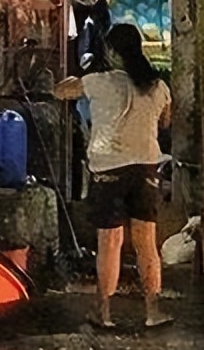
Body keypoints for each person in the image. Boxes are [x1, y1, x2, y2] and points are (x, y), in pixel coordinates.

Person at [55, 22, 172, 329]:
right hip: (146, 167)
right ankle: (153, 311)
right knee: (146, 242)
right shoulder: (158, 86)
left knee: (110, 241)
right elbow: (165, 122)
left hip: (108, 168)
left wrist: (81, 73)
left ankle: (104, 313)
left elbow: (61, 91)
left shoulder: (98, 81)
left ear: (111, 52)